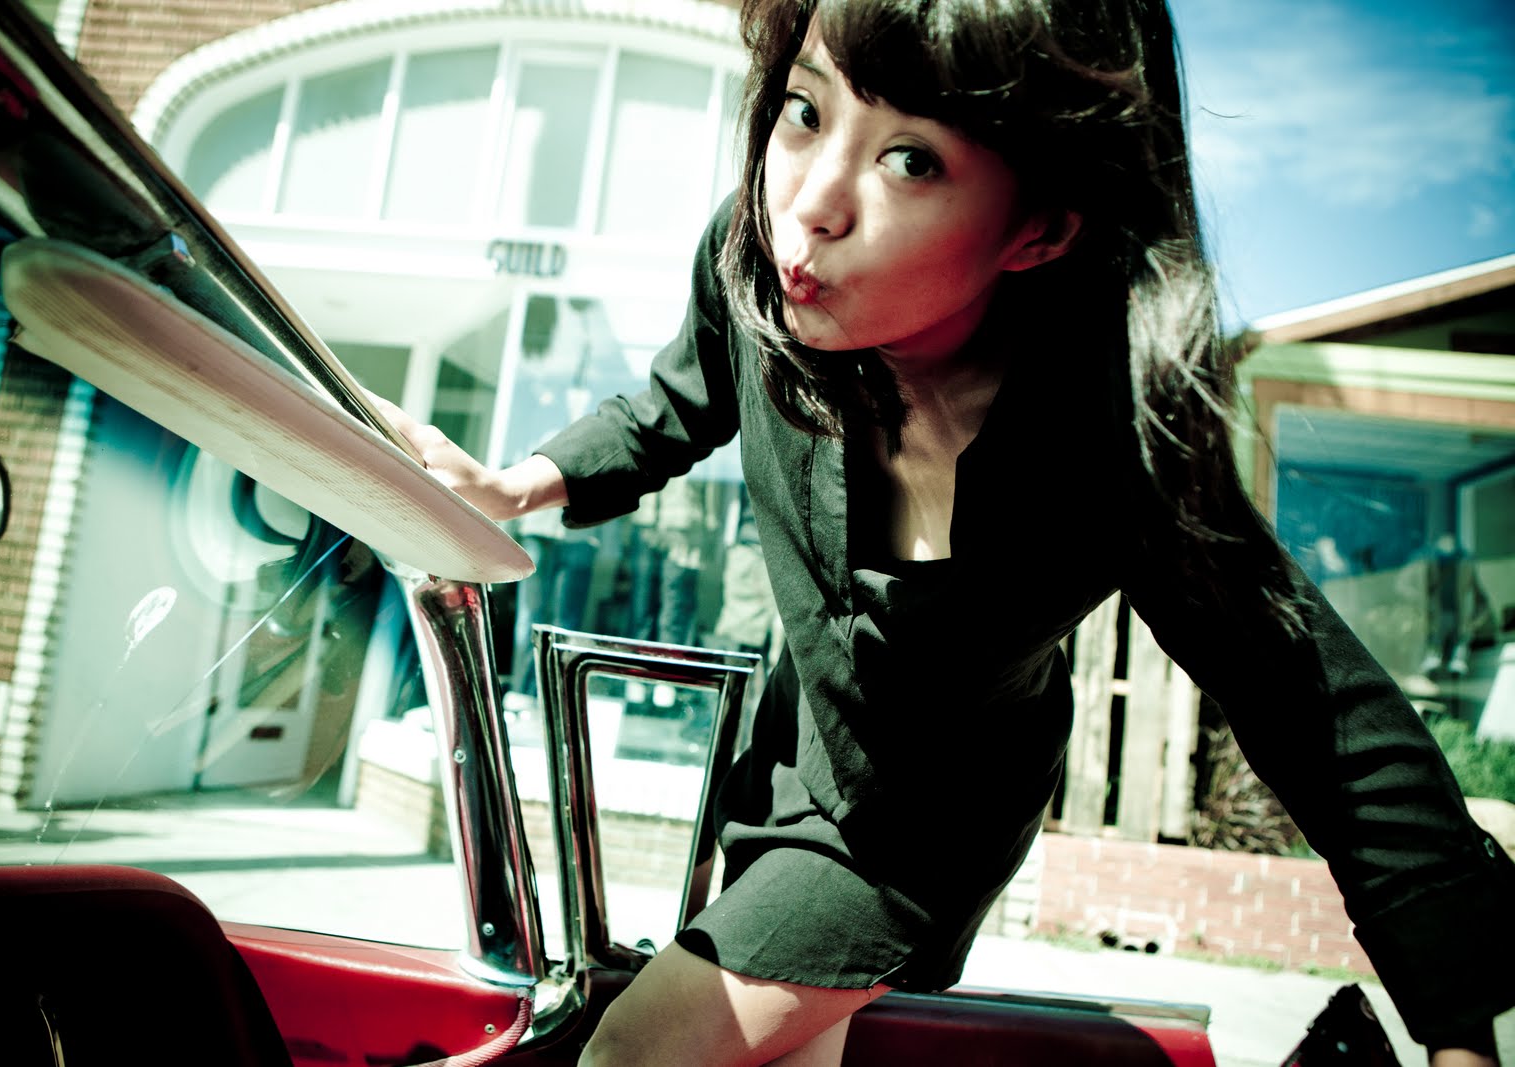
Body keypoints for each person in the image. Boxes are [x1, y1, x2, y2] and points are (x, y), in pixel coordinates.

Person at [375, 0, 1515, 1062]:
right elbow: (676, 402)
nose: (812, 203)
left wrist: (1460, 1026)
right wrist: (511, 485)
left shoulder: (1111, 442)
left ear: (1041, 226)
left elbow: (1314, 709)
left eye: (909, 159)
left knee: (637, 1047)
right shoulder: (758, 271)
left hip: (927, 825)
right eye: (804, 110)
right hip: (785, 761)